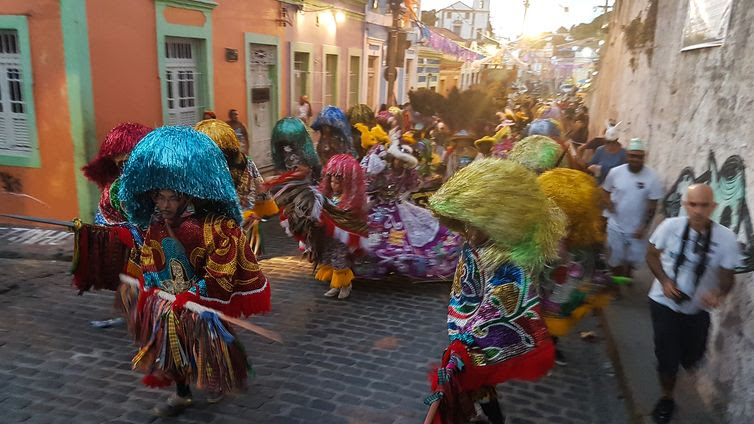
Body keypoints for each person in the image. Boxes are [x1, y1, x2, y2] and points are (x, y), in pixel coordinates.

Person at [118, 126, 270, 416]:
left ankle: (217, 380)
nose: (164, 205)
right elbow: (148, 258)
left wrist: (193, 294)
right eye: (158, 197)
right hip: (168, 304)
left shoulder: (214, 229)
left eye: (172, 198)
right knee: (172, 347)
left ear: (187, 196)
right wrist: (149, 283)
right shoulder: (156, 226)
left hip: (200, 304)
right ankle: (182, 393)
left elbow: (220, 275)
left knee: (209, 345)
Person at [425, 159, 565, 424]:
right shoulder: (473, 244)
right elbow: (465, 288)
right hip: (464, 331)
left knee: (468, 387)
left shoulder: (506, 260)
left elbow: (501, 304)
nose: (468, 229)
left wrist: (467, 341)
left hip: (479, 340)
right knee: (481, 390)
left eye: (474, 222)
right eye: (465, 221)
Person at [645, 184, 741, 424]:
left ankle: (685, 361)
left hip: (697, 308)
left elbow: (728, 277)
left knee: (692, 357)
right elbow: (651, 254)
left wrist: (719, 293)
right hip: (663, 302)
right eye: (693, 204)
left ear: (714, 207)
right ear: (685, 204)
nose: (698, 211)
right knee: (668, 356)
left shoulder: (726, 238)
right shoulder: (670, 226)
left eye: (704, 205)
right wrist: (665, 282)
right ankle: (666, 399)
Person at [602, 138, 664, 278]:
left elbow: (653, 204)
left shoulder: (653, 177)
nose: (635, 159)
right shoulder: (615, 172)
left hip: (637, 228)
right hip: (615, 224)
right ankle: (616, 286)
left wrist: (644, 226)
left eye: (639, 156)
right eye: (632, 155)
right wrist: (608, 203)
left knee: (635, 259)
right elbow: (605, 191)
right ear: (627, 155)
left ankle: (628, 271)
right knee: (615, 257)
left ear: (644, 157)